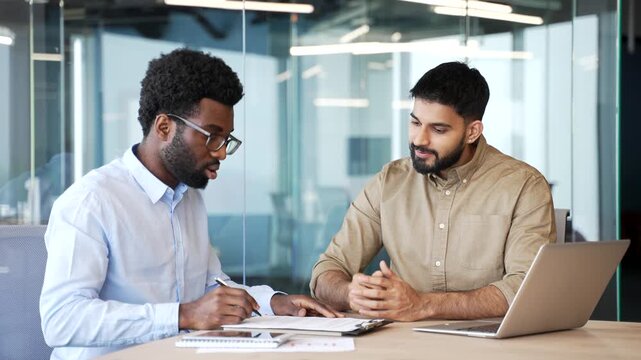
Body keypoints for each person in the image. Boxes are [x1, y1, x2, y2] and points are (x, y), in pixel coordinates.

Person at [40, 48, 339, 360]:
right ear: (165, 127)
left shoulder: (188, 196)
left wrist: (274, 303)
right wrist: (182, 315)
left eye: (227, 140)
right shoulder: (92, 202)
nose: (222, 152)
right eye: (211, 136)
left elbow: (211, 286)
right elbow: (62, 320)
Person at [310, 61, 555, 322]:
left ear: (472, 131)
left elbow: (525, 288)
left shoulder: (523, 185)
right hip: (404, 343)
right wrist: (351, 293)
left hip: (488, 345)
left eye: (438, 129)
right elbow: (328, 270)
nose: (419, 140)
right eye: (415, 123)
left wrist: (423, 304)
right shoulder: (390, 181)